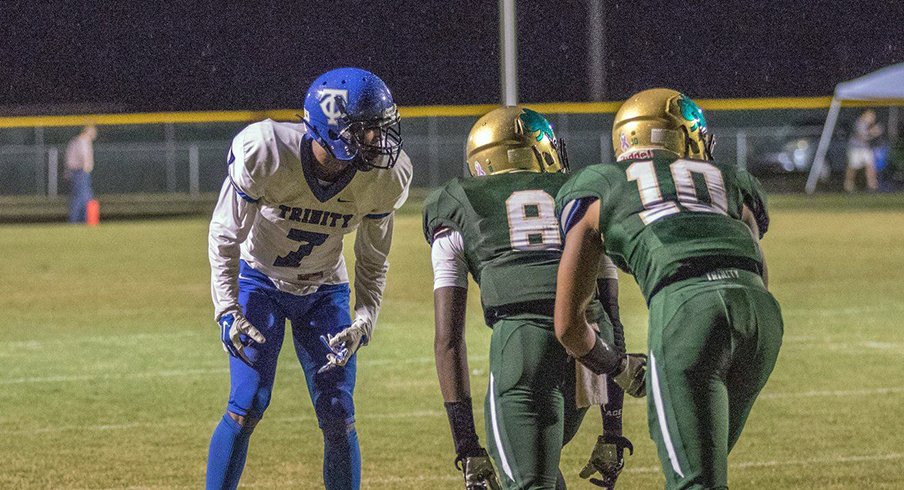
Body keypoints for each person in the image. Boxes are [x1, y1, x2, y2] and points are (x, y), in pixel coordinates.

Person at [554, 88, 783, 490]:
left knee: (693, 478)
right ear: (685, 136)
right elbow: (756, 266)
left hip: (687, 310)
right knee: (703, 468)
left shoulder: (599, 185)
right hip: (762, 317)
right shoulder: (728, 178)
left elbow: (568, 325)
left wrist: (618, 368)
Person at [206, 67, 412, 490]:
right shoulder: (266, 149)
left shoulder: (383, 178)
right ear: (333, 128)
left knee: (338, 412)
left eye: (380, 129)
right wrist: (226, 307)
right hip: (259, 280)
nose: (379, 141)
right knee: (247, 403)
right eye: (368, 130)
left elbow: (373, 258)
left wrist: (365, 319)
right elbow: (225, 235)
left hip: (324, 289)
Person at [423, 106, 646, 489]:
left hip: (522, 346)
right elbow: (610, 313)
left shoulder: (458, 201)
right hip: (589, 352)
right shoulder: (586, 194)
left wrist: (466, 444)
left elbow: (448, 340)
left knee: (527, 479)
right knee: (538, 472)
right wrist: (612, 430)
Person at [845, 109, 883, 192]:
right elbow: (862, 136)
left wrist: (874, 132)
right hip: (855, 148)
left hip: (865, 148)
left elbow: (868, 137)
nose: (873, 118)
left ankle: (872, 185)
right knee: (853, 167)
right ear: (865, 115)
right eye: (871, 115)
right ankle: (848, 185)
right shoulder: (859, 123)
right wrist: (873, 132)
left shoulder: (868, 125)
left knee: (870, 166)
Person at [65, 125, 97, 222]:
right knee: (82, 197)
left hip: (76, 172)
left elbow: (68, 158)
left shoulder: (74, 141)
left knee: (83, 196)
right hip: (81, 171)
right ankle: (78, 220)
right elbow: (84, 155)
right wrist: (86, 166)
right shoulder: (83, 140)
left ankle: (83, 219)